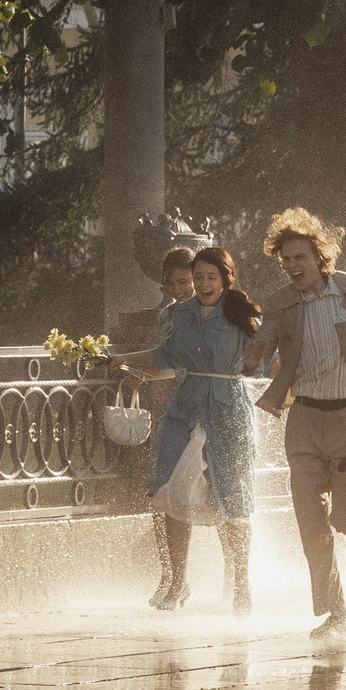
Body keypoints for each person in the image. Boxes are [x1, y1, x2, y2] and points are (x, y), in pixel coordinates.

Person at [251, 208, 346, 642]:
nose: (291, 266)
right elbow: (259, 350)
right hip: (303, 420)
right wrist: (253, 352)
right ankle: (336, 614)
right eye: (285, 259)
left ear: (320, 257)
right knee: (312, 525)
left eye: (299, 257)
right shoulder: (281, 302)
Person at [111, 248, 265, 614]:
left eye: (211, 277)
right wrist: (123, 361)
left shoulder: (241, 313)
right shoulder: (181, 314)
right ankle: (177, 579)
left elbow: (265, 359)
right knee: (170, 489)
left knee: (232, 497)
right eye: (199, 278)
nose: (203, 284)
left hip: (227, 410)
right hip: (187, 410)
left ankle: (242, 584)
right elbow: (167, 357)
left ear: (226, 278)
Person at [142, 248, 208, 610]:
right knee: (162, 492)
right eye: (171, 284)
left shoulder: (215, 312)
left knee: (214, 492)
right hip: (178, 412)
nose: (179, 289)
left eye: (185, 281)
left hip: (209, 410)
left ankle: (238, 580)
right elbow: (173, 363)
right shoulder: (169, 315)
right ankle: (172, 576)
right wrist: (142, 374)